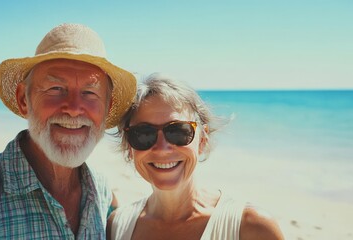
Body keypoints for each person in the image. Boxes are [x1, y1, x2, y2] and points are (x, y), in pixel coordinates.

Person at [0, 23, 136, 239]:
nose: (73, 109)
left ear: (107, 108)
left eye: (89, 92)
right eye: (56, 89)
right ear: (24, 100)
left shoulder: (102, 194)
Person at [107, 74, 284, 240]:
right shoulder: (116, 226)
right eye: (143, 134)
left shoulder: (251, 228)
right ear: (129, 147)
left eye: (178, 131)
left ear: (202, 140)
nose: (162, 149)